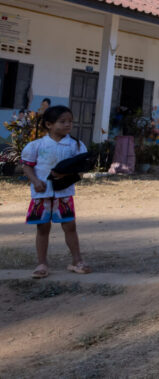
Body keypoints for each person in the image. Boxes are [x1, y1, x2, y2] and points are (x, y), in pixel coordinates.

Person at [21, 105, 91, 279]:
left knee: (70, 226)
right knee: (42, 228)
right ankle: (42, 263)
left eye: (70, 121)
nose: (68, 124)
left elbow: (82, 167)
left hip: (64, 193)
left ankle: (77, 261)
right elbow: (27, 166)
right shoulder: (36, 146)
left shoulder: (76, 145)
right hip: (41, 194)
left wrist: (66, 175)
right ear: (49, 125)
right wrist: (35, 181)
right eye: (62, 121)